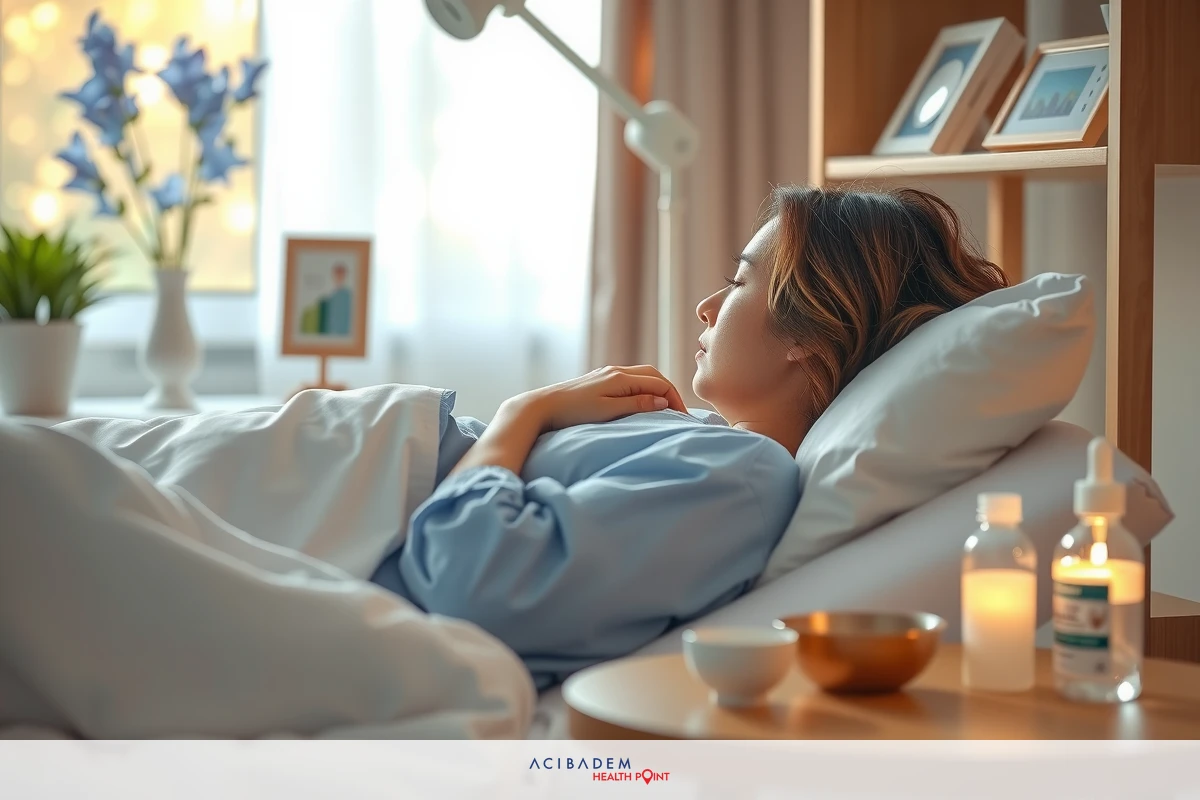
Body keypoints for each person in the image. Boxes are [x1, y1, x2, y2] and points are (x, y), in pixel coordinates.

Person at [367, 184, 1008, 687]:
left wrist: (523, 412)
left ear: (808, 334)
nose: (707, 306)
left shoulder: (740, 475)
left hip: (364, 494)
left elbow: (475, 584)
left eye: (738, 283)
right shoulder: (709, 442)